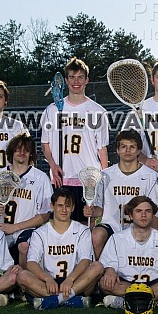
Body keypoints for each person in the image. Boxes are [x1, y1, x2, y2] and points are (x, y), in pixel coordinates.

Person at [41, 57, 109, 223]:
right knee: (61, 226)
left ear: (86, 80)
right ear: (66, 81)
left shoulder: (97, 111)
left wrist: (104, 179)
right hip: (61, 177)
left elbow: (102, 150)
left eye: (80, 77)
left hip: (88, 179)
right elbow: (45, 144)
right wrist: (53, 165)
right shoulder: (52, 110)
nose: (76, 81)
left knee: (87, 227)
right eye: (71, 77)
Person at [93, 196, 158, 309]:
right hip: (127, 284)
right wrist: (110, 270)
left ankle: (123, 302)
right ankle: (157, 302)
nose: (143, 215)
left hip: (154, 283)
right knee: (104, 282)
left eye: (148, 211)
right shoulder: (117, 239)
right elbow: (108, 265)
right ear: (131, 215)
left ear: (152, 215)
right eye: (139, 211)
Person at [16, 189, 102, 309]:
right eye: (60, 206)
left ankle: (55, 300)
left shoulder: (82, 230)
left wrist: (70, 279)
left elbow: (85, 260)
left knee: (97, 267)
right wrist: (47, 279)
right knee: (22, 275)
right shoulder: (40, 233)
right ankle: (70, 299)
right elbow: (31, 263)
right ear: (52, 206)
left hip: (75, 281)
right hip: (49, 283)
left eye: (67, 206)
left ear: (72, 208)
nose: (64, 210)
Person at [88, 130, 158, 259]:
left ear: (138, 150)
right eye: (123, 147)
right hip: (112, 226)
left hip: (139, 226)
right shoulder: (106, 175)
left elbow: (155, 212)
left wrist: (154, 238)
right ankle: (100, 272)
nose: (127, 151)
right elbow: (99, 210)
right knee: (97, 235)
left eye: (132, 147)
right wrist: (91, 211)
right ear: (117, 150)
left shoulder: (150, 176)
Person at [0, 134, 52, 267]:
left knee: (24, 246)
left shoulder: (40, 178)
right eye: (18, 149)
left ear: (31, 154)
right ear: (11, 151)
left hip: (25, 230)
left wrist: (15, 227)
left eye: (26, 150)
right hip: (1, 229)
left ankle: (24, 283)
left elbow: (45, 215)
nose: (22, 153)